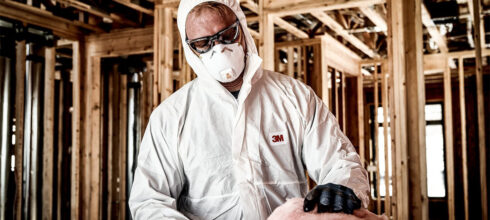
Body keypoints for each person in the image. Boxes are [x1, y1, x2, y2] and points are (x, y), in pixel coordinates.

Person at [128, 0, 370, 219]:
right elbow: (150, 201)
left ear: (242, 28)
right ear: (191, 49)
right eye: (203, 43)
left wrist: (342, 188)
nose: (219, 49)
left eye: (227, 34)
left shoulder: (295, 97)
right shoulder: (171, 116)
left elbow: (340, 162)